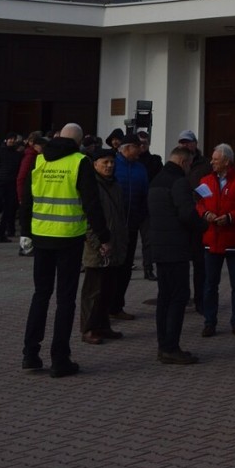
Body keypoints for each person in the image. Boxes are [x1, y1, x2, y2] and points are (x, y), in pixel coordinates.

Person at [19, 123, 111, 377]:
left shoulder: (40, 160)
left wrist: (25, 232)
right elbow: (92, 203)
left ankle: (30, 354)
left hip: (41, 236)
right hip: (69, 239)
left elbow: (27, 199)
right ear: (79, 141)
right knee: (65, 300)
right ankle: (60, 359)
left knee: (40, 294)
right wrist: (104, 237)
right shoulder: (79, 162)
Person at [148, 144, 202, 364]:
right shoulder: (179, 182)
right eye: (189, 164)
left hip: (159, 246)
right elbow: (186, 214)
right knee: (178, 298)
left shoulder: (156, 180)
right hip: (176, 247)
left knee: (164, 298)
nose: (190, 169)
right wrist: (203, 224)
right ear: (183, 162)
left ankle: (164, 345)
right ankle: (171, 346)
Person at [196, 143, 235, 337]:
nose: (212, 162)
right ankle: (210, 322)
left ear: (227, 161)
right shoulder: (205, 181)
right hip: (212, 239)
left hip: (234, 240)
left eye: (216, 160)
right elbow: (200, 203)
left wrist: (230, 217)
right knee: (210, 284)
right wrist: (206, 213)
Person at [79, 148, 128, 344]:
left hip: (114, 245)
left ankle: (103, 325)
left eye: (111, 162)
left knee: (108, 289)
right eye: (104, 162)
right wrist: (98, 242)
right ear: (95, 165)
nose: (109, 166)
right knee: (93, 291)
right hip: (97, 247)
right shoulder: (92, 186)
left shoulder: (115, 185)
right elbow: (88, 218)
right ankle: (88, 328)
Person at [110, 133, 149, 321]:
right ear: (126, 148)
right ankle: (106, 307)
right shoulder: (113, 165)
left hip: (132, 225)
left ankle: (117, 306)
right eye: (137, 146)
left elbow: (145, 193)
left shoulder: (140, 168)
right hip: (114, 227)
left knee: (125, 268)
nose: (140, 150)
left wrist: (142, 215)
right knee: (111, 268)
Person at [179, 129, 211, 314]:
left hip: (199, 218)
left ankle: (201, 300)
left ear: (195, 143)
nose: (185, 145)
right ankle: (183, 298)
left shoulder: (205, 164)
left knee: (200, 264)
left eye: (188, 142)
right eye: (182, 142)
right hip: (183, 219)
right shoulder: (176, 164)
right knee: (182, 263)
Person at [137, 128, 163, 281]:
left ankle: (148, 268)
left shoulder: (154, 160)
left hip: (147, 205)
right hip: (133, 206)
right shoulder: (131, 161)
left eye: (145, 143)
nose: (142, 146)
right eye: (139, 143)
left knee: (148, 241)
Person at [0, 131, 21, 243]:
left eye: (13, 139)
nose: (12, 140)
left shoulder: (17, 154)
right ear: (6, 140)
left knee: (8, 210)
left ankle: (1, 234)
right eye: (10, 139)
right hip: (0, 184)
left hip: (11, 185)